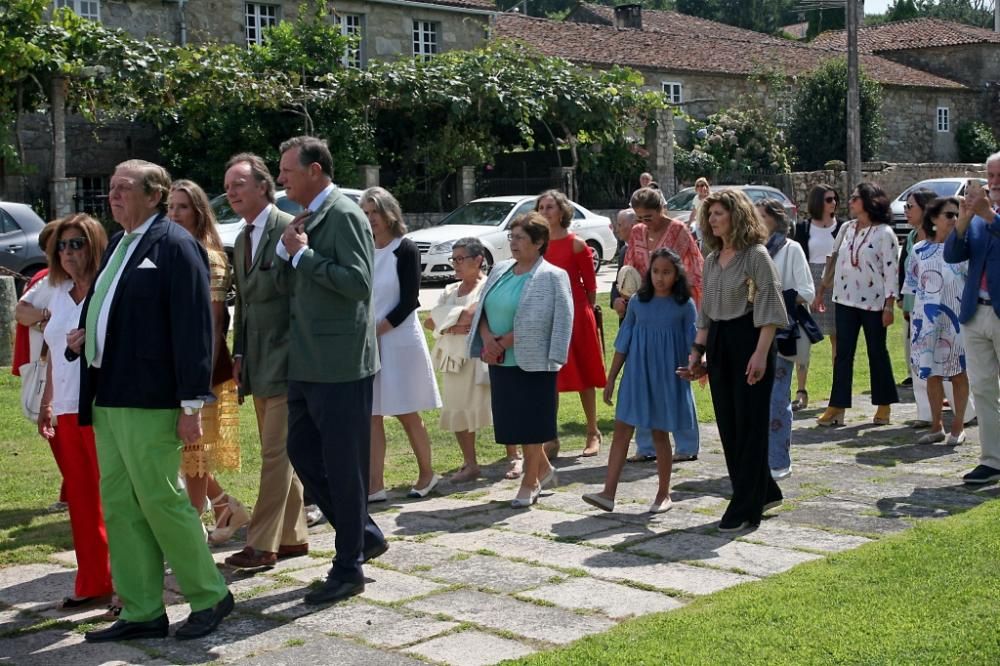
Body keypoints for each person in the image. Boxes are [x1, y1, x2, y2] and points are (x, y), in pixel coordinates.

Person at [70, 159, 233, 642]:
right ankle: (141, 609)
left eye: (124, 187)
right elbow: (114, 309)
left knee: (162, 499)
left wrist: (190, 405)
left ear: (154, 195)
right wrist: (86, 336)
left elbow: (193, 330)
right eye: (112, 187)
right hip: (108, 393)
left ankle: (209, 594)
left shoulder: (176, 245)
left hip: (151, 398)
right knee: (120, 503)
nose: (113, 195)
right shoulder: (121, 242)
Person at [275, 136, 387, 604]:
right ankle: (361, 533)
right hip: (306, 360)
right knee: (301, 451)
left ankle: (348, 568)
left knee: (344, 467)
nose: (281, 179)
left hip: (340, 364)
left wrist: (303, 255)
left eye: (287, 171)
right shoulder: (308, 216)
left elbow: (358, 283)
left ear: (315, 170)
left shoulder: (342, 214)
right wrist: (289, 253)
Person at [220, 153, 310, 570]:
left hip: (291, 361)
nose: (231, 191)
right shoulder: (241, 239)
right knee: (281, 452)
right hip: (258, 363)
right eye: (227, 185)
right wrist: (239, 355)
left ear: (263, 186)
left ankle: (262, 543)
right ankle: (292, 537)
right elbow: (247, 307)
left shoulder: (289, 228)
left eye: (239, 183)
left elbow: (302, 296)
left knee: (274, 455)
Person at [681, 188, 787, 532]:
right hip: (721, 342)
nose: (711, 220)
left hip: (752, 339)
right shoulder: (711, 260)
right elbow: (706, 315)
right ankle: (764, 489)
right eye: (709, 215)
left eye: (718, 214)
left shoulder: (755, 255)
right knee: (729, 423)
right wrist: (697, 354)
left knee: (750, 423)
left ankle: (745, 504)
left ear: (736, 216)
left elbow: (770, 307)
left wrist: (760, 353)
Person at [469, 212, 573, 508]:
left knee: (531, 424)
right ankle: (544, 468)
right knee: (512, 423)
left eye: (520, 238)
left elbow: (558, 319)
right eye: (510, 237)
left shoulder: (553, 275)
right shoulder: (500, 269)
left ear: (539, 242)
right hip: (499, 359)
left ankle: (531, 481)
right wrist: (488, 339)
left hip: (534, 359)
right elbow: (483, 310)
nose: (513, 243)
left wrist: (505, 341)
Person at [36, 214, 112, 609]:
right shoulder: (56, 291)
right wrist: (47, 402)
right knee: (81, 503)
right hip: (64, 409)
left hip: (101, 409)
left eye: (76, 244)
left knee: (114, 498)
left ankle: (127, 582)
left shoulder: (106, 288)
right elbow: (51, 356)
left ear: (94, 245)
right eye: (61, 246)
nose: (67, 253)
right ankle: (94, 581)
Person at [583, 249, 696, 514]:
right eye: (655, 271)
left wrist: (697, 367)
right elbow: (623, 342)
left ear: (676, 274)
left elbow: (696, 342)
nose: (660, 277)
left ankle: (663, 494)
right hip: (636, 375)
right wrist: (611, 378)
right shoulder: (637, 302)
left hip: (667, 377)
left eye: (666, 272)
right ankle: (608, 493)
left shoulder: (684, 305)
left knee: (660, 433)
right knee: (622, 430)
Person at [166, 180, 248, 544]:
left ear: (198, 212)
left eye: (182, 206)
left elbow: (214, 324)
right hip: (170, 367)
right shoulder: (171, 250)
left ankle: (192, 535)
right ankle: (223, 503)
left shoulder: (209, 256)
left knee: (193, 452)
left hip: (202, 368)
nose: (174, 214)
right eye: (169, 207)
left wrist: (199, 381)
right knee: (181, 450)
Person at [361, 187, 442, 501]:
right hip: (372, 341)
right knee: (372, 413)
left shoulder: (405, 248)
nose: (371, 220)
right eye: (365, 214)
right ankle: (375, 483)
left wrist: (379, 330)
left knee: (407, 411)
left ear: (389, 212)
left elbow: (410, 300)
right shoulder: (366, 250)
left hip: (399, 339)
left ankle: (427, 473)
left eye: (375, 212)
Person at [616, 186, 703, 464]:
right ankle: (646, 445)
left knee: (677, 376)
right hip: (645, 307)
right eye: (639, 217)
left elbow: (694, 265)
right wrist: (623, 295)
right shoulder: (637, 233)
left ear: (661, 210)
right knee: (644, 378)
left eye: (649, 216)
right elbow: (629, 267)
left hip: (674, 307)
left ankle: (687, 444)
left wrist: (686, 299)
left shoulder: (678, 229)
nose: (644, 222)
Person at [425, 237, 511, 481]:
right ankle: (470, 463)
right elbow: (430, 320)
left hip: (481, 356)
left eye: (461, 259)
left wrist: (446, 319)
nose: (456, 264)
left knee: (498, 406)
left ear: (478, 260)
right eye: (454, 259)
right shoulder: (450, 290)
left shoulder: (488, 286)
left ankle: (514, 457)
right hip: (454, 358)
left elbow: (475, 314)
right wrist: (453, 325)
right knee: (457, 408)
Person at [816, 183, 900, 427]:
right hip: (844, 300)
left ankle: (884, 404)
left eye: (855, 197)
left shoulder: (885, 233)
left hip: (874, 303)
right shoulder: (847, 227)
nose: (850, 201)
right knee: (842, 354)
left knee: (877, 352)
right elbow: (833, 259)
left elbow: (891, 271)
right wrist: (822, 289)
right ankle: (837, 406)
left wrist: (889, 305)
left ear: (869, 201)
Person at [535, 190, 607, 458]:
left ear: (562, 210)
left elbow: (590, 287)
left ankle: (593, 431)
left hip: (577, 315)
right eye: (541, 207)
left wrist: (581, 313)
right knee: (548, 379)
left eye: (550, 206)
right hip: (545, 317)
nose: (545, 211)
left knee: (584, 375)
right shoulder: (537, 244)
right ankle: (549, 438)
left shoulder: (576, 244)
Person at [943, 155, 1000, 484]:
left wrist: (988, 215)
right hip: (975, 312)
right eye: (990, 175)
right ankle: (992, 460)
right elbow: (952, 255)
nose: (993, 181)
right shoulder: (977, 216)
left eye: (999, 175)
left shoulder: (988, 214)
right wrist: (963, 221)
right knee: (983, 390)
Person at [897, 188, 974, 428]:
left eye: (958, 215)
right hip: (926, 321)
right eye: (949, 215)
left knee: (959, 372)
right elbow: (911, 286)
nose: (954, 219)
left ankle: (959, 424)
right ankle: (936, 425)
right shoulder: (919, 250)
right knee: (931, 373)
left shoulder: (965, 250)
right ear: (934, 219)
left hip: (956, 320)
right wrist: (909, 315)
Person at [758, 200, 814, 481]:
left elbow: (807, 291)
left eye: (762, 216)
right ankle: (757, 460)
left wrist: (775, 298)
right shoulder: (751, 250)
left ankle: (779, 461)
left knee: (778, 398)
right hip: (753, 333)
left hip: (783, 331)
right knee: (755, 400)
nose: (756, 220)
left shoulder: (791, 249)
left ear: (775, 220)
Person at [791, 184, 842, 411]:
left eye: (835, 199)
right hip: (809, 281)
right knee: (803, 339)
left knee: (837, 339)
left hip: (835, 283)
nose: (833, 203)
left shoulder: (842, 227)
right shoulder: (803, 228)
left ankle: (837, 390)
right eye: (829, 199)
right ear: (818, 201)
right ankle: (801, 390)